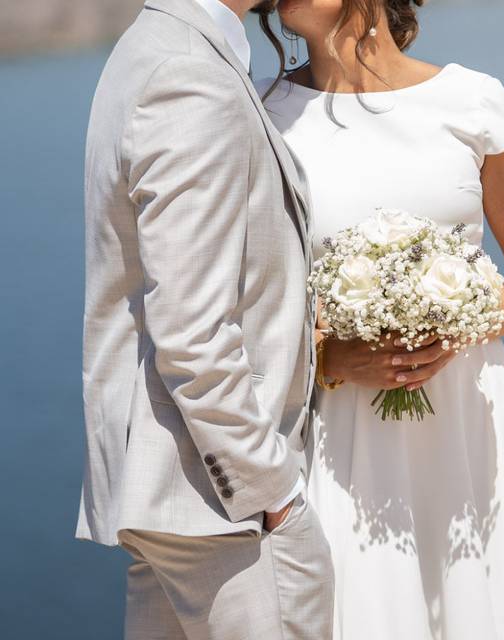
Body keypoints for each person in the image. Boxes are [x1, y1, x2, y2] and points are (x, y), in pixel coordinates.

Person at [256, 1, 504, 638]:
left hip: (468, 428)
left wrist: (453, 323)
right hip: (339, 436)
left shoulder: (474, 101)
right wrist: (329, 356)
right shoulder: (260, 116)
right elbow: (245, 304)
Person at [77, 0, 333, 637]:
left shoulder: (154, 46)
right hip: (222, 511)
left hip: (176, 503)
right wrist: (271, 493)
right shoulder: (188, 73)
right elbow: (192, 329)